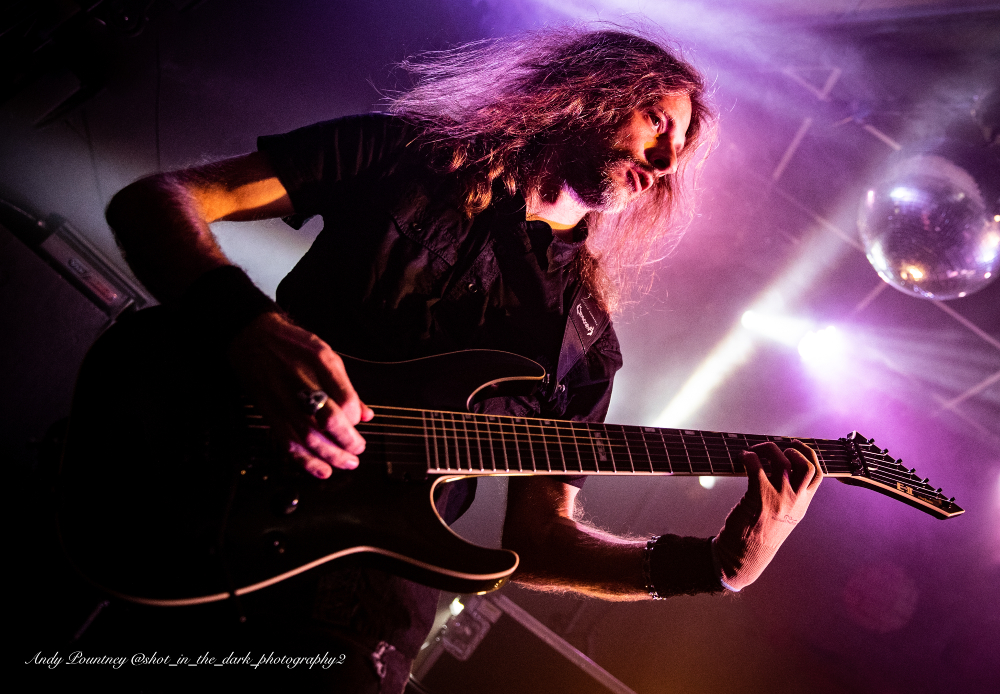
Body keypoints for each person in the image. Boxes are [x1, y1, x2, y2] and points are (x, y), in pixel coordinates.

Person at [103, 27, 822, 693]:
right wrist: (247, 328)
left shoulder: (584, 343)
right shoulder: (398, 156)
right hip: (190, 507)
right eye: (657, 122)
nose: (664, 163)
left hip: (357, 625)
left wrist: (712, 569)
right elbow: (157, 200)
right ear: (588, 92)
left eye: (679, 151)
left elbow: (539, 542)